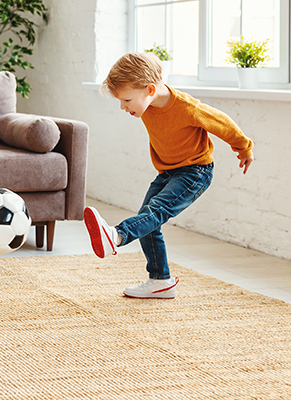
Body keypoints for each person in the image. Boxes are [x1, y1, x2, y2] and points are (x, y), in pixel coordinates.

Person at [84, 52, 254, 299]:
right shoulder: (147, 104)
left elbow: (222, 122)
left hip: (195, 172)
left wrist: (244, 148)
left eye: (127, 100)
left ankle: (116, 235)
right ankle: (160, 281)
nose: (123, 107)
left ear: (150, 89)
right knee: (149, 222)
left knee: (155, 213)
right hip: (167, 172)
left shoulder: (187, 107)